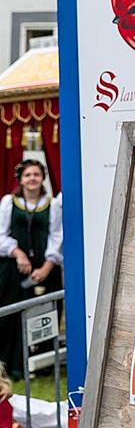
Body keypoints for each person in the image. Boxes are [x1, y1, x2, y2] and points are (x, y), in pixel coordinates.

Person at [0, 160, 63, 379]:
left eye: (36, 174)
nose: (32, 178)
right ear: (21, 179)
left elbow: (57, 237)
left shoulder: (52, 204)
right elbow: (1, 234)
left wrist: (47, 266)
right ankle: (9, 365)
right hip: (13, 269)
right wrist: (18, 254)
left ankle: (39, 365)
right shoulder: (10, 202)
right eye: (28, 175)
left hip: (45, 269)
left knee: (43, 315)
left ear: (42, 177)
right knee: (11, 314)